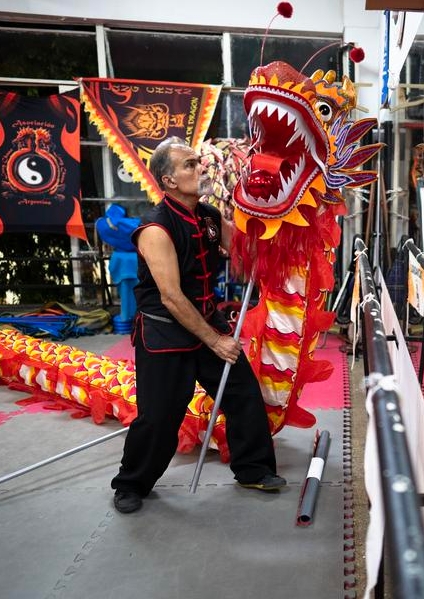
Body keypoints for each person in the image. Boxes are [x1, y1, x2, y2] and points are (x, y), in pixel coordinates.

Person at [111, 136, 285, 514]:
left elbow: (243, 251)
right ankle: (131, 483)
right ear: (169, 180)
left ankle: (253, 468)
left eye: (198, 162)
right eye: (190, 164)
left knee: (242, 393)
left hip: (207, 320)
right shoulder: (155, 229)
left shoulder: (207, 216)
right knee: (159, 418)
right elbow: (172, 297)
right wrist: (216, 341)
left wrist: (268, 219)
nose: (201, 168)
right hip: (166, 333)